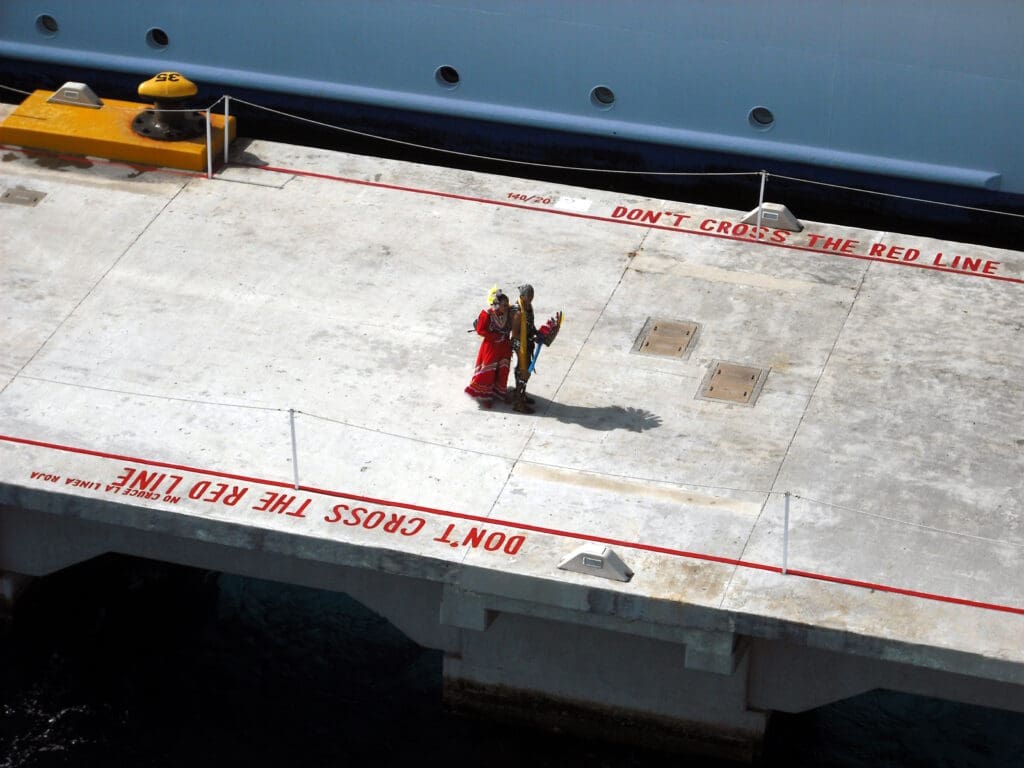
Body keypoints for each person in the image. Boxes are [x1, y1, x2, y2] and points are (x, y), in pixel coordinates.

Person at [465, 287, 514, 408]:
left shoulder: (509, 312)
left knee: (503, 370)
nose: (506, 306)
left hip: (504, 347)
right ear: (497, 305)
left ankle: (500, 393)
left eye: (507, 304)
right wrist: (494, 336)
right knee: (488, 372)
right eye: (503, 305)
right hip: (491, 347)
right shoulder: (487, 315)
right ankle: (484, 396)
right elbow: (481, 331)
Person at [511, 284, 538, 413]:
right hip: (520, 344)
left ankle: (521, 394)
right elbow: (515, 334)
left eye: (532, 295)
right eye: (529, 296)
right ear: (523, 296)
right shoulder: (518, 311)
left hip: (527, 342)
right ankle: (519, 403)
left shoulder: (528, 306)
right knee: (524, 371)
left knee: (525, 370)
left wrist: (536, 333)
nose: (531, 298)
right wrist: (523, 347)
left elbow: (530, 325)